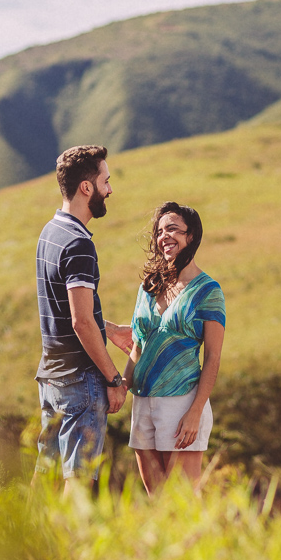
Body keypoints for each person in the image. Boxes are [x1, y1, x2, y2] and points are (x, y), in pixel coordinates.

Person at [34, 145, 133, 492]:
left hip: (51, 379)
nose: (110, 190)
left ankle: (24, 546)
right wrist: (114, 378)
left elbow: (66, 311)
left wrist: (111, 329)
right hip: (80, 383)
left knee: (43, 479)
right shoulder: (79, 244)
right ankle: (64, 548)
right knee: (76, 486)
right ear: (86, 188)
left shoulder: (49, 233)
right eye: (106, 181)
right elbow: (80, 322)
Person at [124, 202, 226, 494]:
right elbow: (138, 346)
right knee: (156, 499)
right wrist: (121, 385)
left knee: (181, 504)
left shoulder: (208, 290)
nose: (164, 236)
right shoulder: (148, 287)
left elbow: (213, 357)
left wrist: (195, 412)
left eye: (173, 229)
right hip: (142, 401)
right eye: (159, 231)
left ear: (190, 236)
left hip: (181, 402)